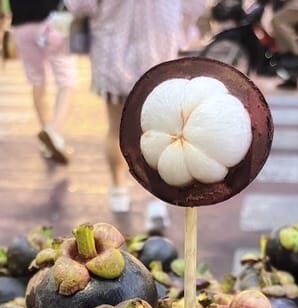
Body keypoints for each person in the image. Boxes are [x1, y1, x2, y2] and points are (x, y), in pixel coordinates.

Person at [66, 0, 206, 217]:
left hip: (112, 50)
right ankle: (157, 202)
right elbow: (195, 5)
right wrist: (183, 27)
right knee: (164, 130)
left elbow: (81, 5)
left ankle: (118, 190)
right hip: (158, 49)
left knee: (115, 127)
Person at [8, 0, 75, 163]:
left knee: (37, 81)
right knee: (66, 81)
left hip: (21, 25)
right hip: (52, 23)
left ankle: (47, 136)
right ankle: (53, 132)